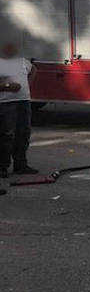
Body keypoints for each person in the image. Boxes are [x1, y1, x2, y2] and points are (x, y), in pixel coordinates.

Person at [0, 40, 38, 189]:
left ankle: (21, 164)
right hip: (6, 102)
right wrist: (8, 86)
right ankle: (2, 166)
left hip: (23, 101)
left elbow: (34, 69)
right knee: (7, 134)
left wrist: (28, 87)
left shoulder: (22, 61)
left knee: (24, 132)